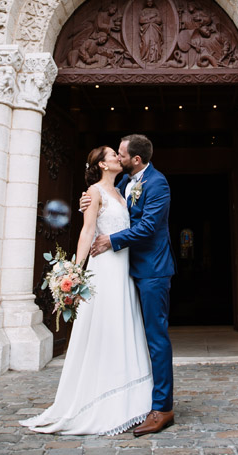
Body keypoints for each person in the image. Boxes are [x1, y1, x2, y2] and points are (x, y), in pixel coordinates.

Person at [21, 146, 153, 435]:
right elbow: (87, 231)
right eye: (113, 155)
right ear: (103, 165)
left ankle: (129, 397)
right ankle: (99, 399)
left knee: (122, 325)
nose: (119, 157)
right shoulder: (94, 192)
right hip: (104, 268)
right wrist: (75, 272)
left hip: (122, 268)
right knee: (104, 326)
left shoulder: (121, 190)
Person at [84, 134, 176, 436]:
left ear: (135, 160)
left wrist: (111, 240)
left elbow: (148, 227)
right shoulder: (125, 184)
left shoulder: (158, 183)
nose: (118, 158)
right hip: (124, 271)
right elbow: (109, 204)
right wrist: (88, 201)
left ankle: (163, 408)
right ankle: (131, 399)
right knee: (130, 335)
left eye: (121, 154)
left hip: (152, 270)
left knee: (155, 336)